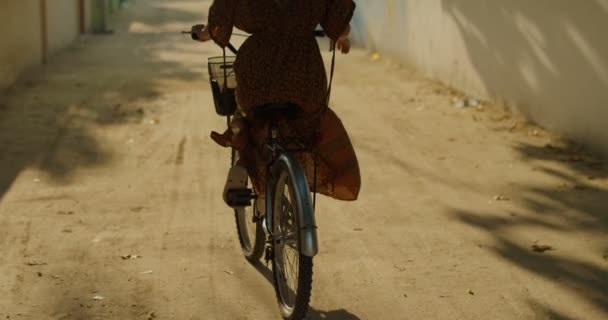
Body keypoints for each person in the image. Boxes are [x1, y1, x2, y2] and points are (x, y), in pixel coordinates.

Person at [192, 0, 361, 208]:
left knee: (249, 119)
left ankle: (243, 164)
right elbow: (340, 25)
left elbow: (219, 21)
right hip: (304, 74)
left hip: (257, 70)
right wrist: (342, 38)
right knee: (308, 121)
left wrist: (204, 33)